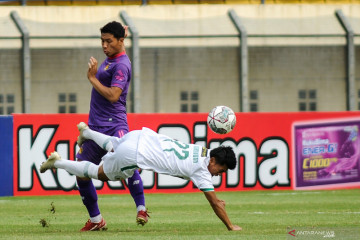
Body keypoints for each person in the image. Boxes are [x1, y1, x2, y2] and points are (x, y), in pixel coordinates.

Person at [40, 122, 242, 231]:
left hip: (140, 136)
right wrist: (230, 226)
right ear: (214, 161)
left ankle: (87, 132)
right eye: (220, 171)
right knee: (99, 174)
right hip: (136, 154)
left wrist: (217, 199)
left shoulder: (203, 151)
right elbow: (215, 204)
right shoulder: (203, 171)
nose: (218, 176)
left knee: (113, 143)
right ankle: (57, 162)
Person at [77, 21, 147, 231]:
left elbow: (114, 96)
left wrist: (91, 78)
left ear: (121, 41)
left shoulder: (121, 65)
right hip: (95, 127)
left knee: (126, 162)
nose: (104, 45)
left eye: (109, 41)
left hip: (114, 125)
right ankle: (97, 220)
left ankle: (141, 208)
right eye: (102, 41)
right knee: (81, 173)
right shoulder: (110, 61)